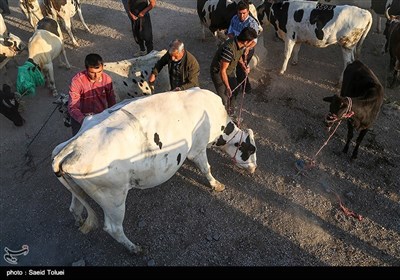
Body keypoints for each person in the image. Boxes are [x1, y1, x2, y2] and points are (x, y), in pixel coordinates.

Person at [210, 27, 258, 115]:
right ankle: (224, 116)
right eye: (251, 42)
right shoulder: (229, 50)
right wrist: (227, 87)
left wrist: (244, 66)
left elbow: (238, 56)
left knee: (234, 91)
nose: (253, 44)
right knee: (224, 98)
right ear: (246, 42)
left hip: (229, 70)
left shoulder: (239, 43)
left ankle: (230, 112)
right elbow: (222, 71)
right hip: (218, 73)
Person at [68, 53, 116, 136]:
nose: (97, 76)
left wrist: (113, 114)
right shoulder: (77, 81)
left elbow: (111, 99)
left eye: (100, 71)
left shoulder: (107, 79)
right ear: (86, 69)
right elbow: (73, 107)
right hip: (81, 119)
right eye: (92, 72)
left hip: (99, 116)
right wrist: (85, 121)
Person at [227, 0, 259, 94]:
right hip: (236, 47)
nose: (241, 16)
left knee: (240, 69)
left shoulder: (252, 24)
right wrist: (236, 42)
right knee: (237, 68)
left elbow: (254, 41)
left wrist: (246, 48)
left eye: (244, 13)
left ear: (248, 12)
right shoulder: (234, 19)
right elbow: (229, 33)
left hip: (246, 49)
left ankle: (246, 88)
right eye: (239, 13)